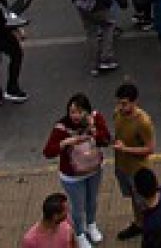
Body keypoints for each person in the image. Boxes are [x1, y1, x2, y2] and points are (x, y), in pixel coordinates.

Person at [42, 92, 112, 248]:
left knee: (92, 201)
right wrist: (66, 142)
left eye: (80, 112)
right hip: (72, 176)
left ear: (87, 111)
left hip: (94, 169)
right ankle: (80, 233)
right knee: (78, 206)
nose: (76, 116)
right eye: (72, 111)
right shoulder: (61, 128)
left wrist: (93, 129)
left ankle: (91, 224)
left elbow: (106, 139)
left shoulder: (95, 119)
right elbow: (48, 152)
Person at [112, 83, 156, 241]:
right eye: (118, 103)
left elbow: (150, 149)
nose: (120, 107)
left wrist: (125, 149)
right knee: (134, 199)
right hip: (122, 166)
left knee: (144, 202)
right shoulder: (117, 114)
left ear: (134, 102)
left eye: (124, 103)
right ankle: (139, 224)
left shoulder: (143, 122)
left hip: (138, 169)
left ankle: (151, 228)